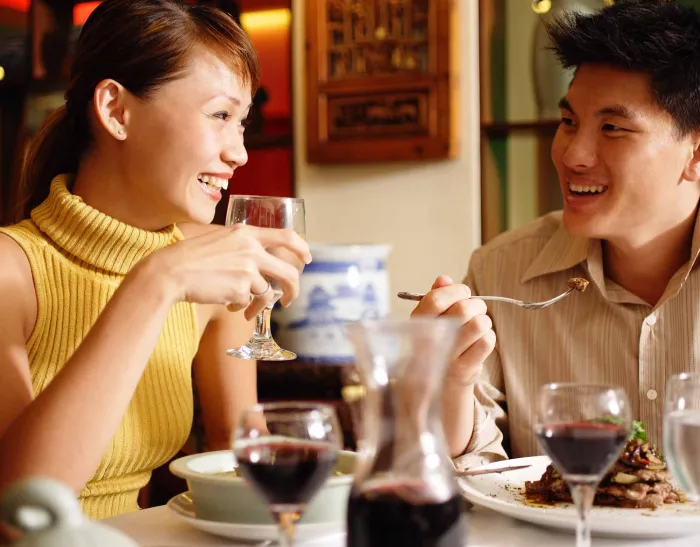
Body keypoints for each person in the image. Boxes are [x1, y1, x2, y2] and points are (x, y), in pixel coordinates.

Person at [0, 0, 313, 521]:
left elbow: (243, 462)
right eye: (219, 115)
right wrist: (156, 281)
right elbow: (21, 514)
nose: (240, 152)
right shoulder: (12, 272)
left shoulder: (210, 270)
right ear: (116, 111)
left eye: (242, 122)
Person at [417, 0, 700, 465]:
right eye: (569, 122)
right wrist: (448, 379)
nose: (573, 155)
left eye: (612, 127)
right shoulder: (502, 270)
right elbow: (477, 474)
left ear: (694, 153)